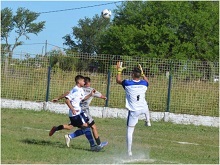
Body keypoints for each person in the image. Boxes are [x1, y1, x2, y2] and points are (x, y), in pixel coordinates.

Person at [49, 76, 108, 148]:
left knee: (72, 126)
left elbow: (80, 97)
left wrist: (90, 94)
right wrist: (72, 109)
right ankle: (92, 145)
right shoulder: (76, 90)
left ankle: (57, 129)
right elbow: (67, 99)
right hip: (76, 113)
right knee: (87, 127)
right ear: (79, 82)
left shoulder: (81, 90)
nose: (84, 82)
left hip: (79, 112)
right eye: (83, 81)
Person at [116, 62, 151, 156]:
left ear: (132, 75)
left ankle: (129, 151)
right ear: (140, 75)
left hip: (134, 111)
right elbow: (147, 82)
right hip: (143, 108)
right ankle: (148, 121)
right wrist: (143, 74)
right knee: (146, 106)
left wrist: (119, 71)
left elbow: (118, 80)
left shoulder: (128, 83)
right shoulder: (144, 83)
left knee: (129, 131)